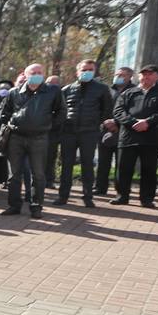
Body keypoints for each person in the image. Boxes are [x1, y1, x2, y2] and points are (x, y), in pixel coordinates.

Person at [0, 63, 63, 218]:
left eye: (40, 72)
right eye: (33, 72)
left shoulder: (52, 91)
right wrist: (12, 123)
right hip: (16, 138)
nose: (37, 74)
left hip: (39, 138)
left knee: (39, 175)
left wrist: (48, 125)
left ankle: (36, 206)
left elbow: (61, 112)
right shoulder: (14, 92)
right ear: (25, 75)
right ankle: (14, 205)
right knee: (14, 175)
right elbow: (3, 112)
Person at [112, 64, 158, 207]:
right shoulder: (128, 92)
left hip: (151, 137)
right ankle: (122, 196)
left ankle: (147, 199)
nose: (146, 76)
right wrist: (132, 122)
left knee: (149, 169)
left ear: (157, 76)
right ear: (139, 76)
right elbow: (118, 111)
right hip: (128, 136)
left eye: (150, 74)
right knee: (123, 168)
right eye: (143, 74)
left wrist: (148, 122)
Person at [56, 60, 113, 208]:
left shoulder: (102, 89)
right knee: (66, 165)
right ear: (77, 72)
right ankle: (63, 196)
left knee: (87, 165)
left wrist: (96, 124)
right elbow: (60, 110)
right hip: (68, 133)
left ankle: (88, 197)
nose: (86, 72)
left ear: (94, 71)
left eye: (90, 69)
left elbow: (107, 110)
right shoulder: (67, 89)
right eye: (83, 69)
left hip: (89, 132)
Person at [98, 67, 135, 195]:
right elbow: (100, 108)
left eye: (122, 75)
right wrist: (106, 122)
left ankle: (121, 190)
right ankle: (100, 187)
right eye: (117, 74)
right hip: (105, 130)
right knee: (103, 162)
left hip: (124, 132)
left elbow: (133, 111)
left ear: (130, 77)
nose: (118, 77)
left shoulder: (135, 91)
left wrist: (117, 123)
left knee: (122, 164)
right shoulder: (107, 90)